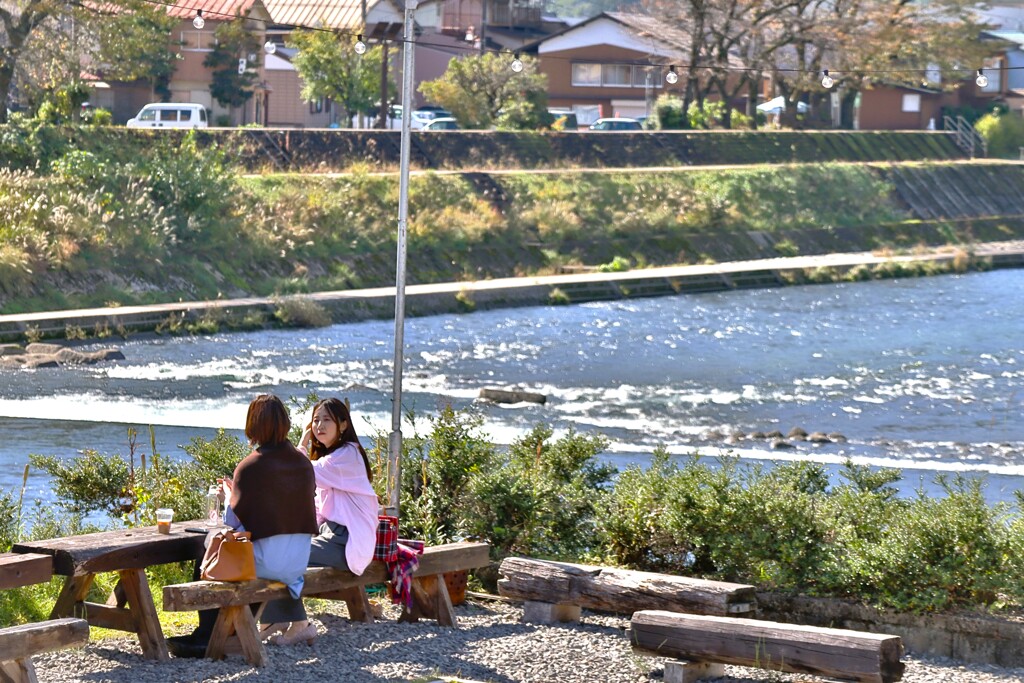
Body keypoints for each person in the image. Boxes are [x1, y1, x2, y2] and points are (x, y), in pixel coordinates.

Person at [168, 394, 318, 657]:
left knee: (208, 551)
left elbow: (232, 523)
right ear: (285, 423)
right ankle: (229, 631)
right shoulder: (303, 463)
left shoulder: (250, 466)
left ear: (253, 425)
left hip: (265, 563)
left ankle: (207, 636)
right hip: (298, 562)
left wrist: (229, 498)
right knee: (228, 552)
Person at [258, 397, 378, 645]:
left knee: (281, 555)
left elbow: (300, 472)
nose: (319, 426)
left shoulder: (347, 455)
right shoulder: (333, 457)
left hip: (347, 540)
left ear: (343, 425)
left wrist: (302, 441)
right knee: (277, 549)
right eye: (315, 420)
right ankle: (274, 619)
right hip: (331, 533)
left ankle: (299, 623)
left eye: (327, 420)